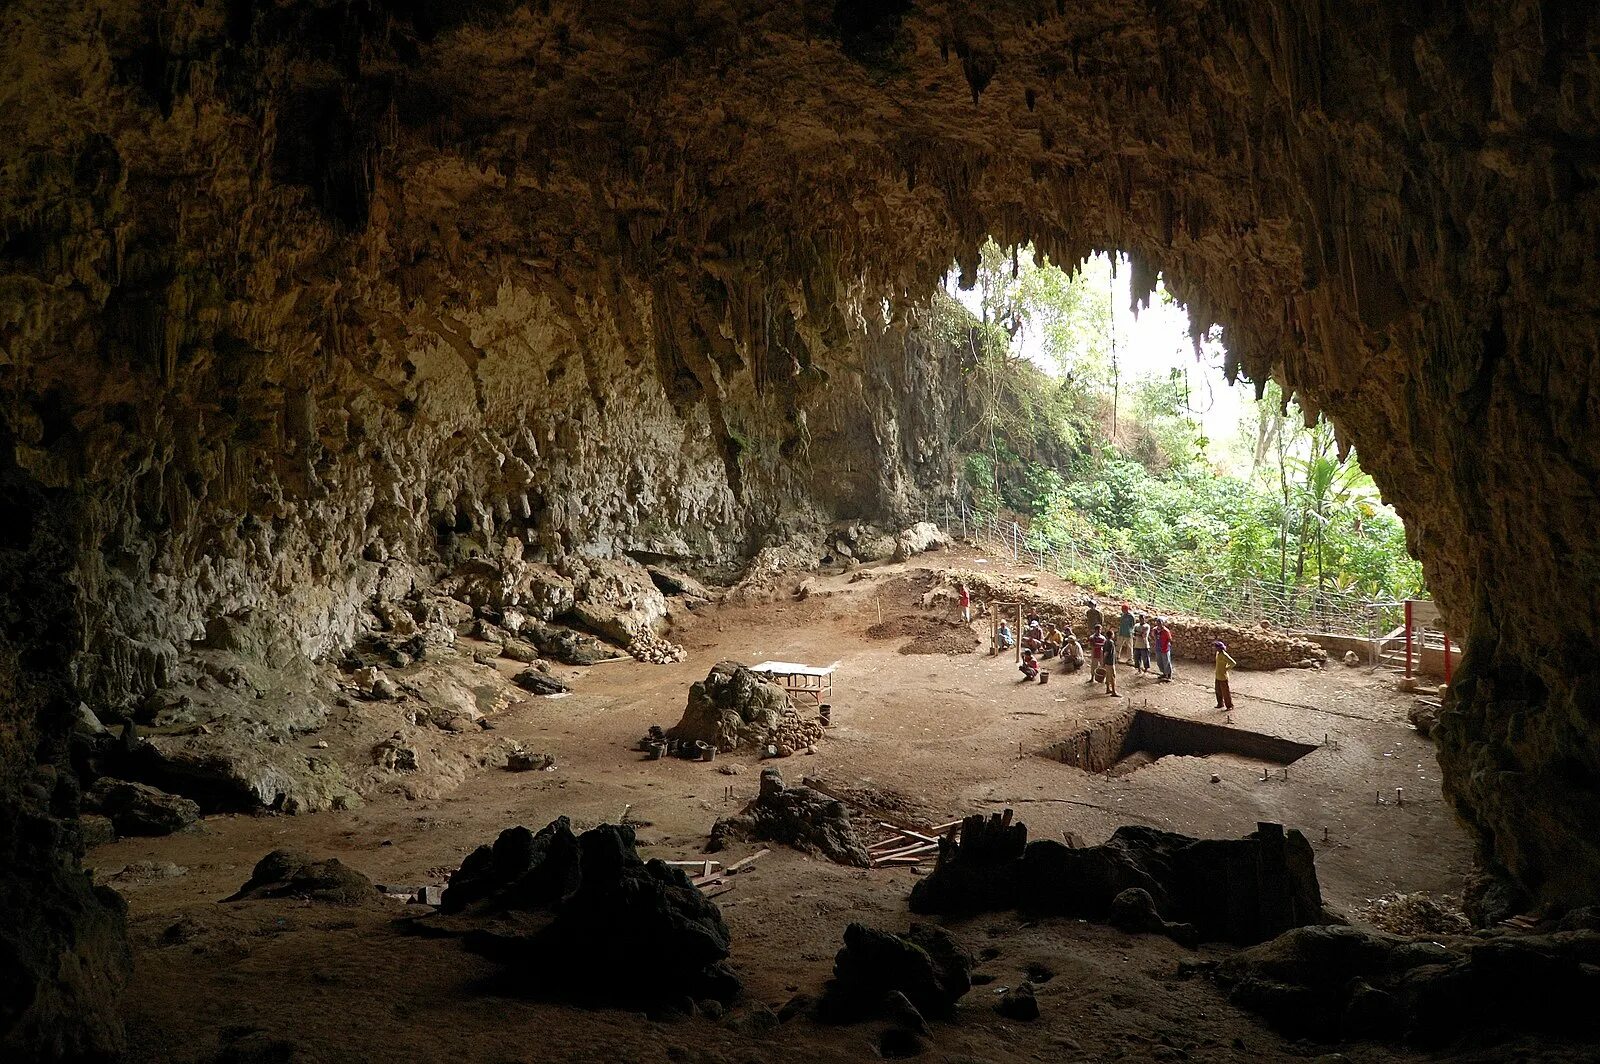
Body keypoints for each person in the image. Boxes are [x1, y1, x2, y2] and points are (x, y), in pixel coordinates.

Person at [1213, 640, 1237, 709]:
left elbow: (1233, 663)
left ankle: (1229, 705)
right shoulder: (1218, 654)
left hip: (1223, 677)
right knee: (1218, 691)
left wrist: (1226, 668)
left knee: (1225, 692)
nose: (1215, 649)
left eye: (1216, 647)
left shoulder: (1224, 655)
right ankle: (1220, 704)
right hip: (1217, 675)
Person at [1154, 617, 1174, 682]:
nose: (1159, 624)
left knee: (1166, 662)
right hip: (1158, 648)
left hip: (1165, 648)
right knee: (1159, 662)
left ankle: (1169, 675)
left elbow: (1170, 639)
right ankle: (1164, 673)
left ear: (1163, 623)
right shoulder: (1155, 630)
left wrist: (1166, 645)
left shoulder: (1166, 631)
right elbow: (1153, 636)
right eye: (1158, 623)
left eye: (1160, 623)